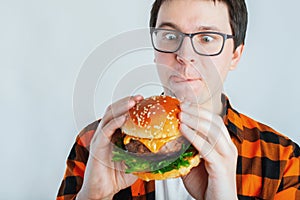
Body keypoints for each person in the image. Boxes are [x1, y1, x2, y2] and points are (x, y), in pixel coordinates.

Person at [57, 0, 300, 199]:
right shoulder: (94, 145)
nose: (185, 55)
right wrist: (93, 197)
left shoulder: (283, 160)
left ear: (235, 55)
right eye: (170, 36)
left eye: (207, 38)